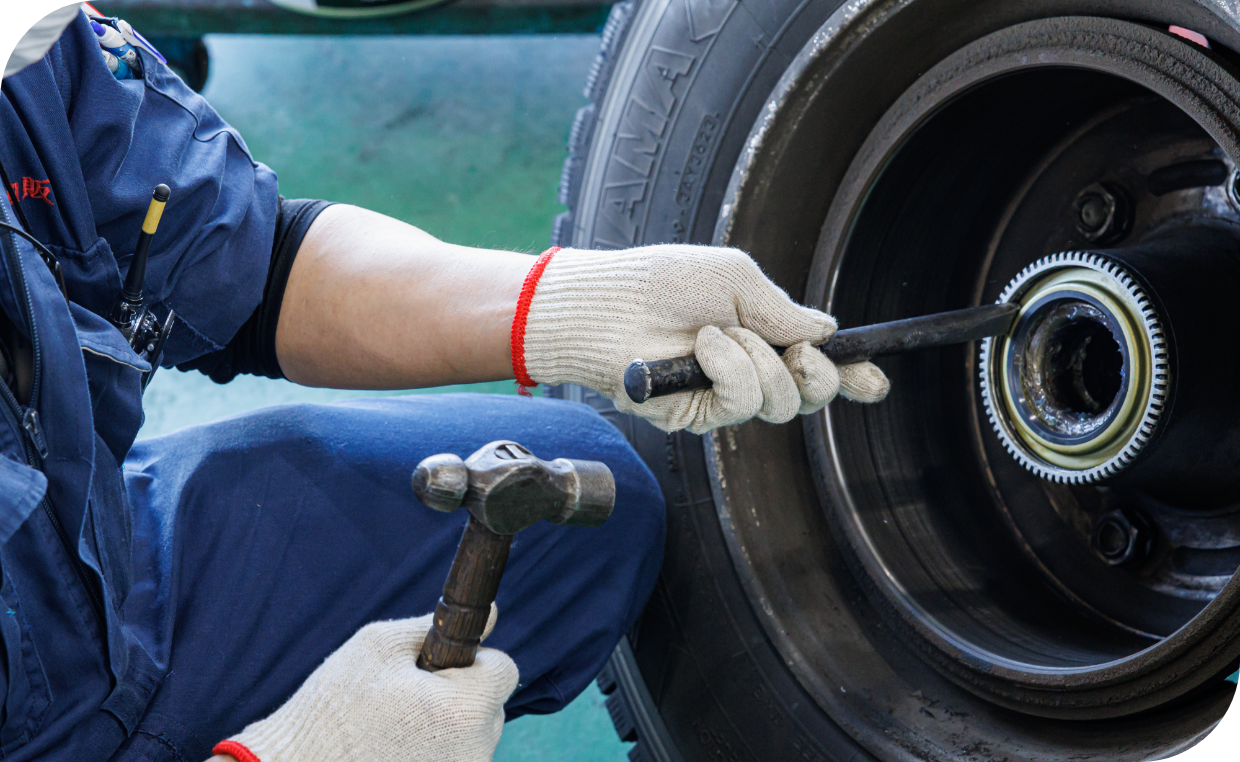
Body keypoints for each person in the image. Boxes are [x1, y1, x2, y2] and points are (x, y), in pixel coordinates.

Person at [0, 5, 889, 762]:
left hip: (72, 575)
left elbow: (252, 264)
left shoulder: (36, 60)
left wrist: (562, 305)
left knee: (584, 501)